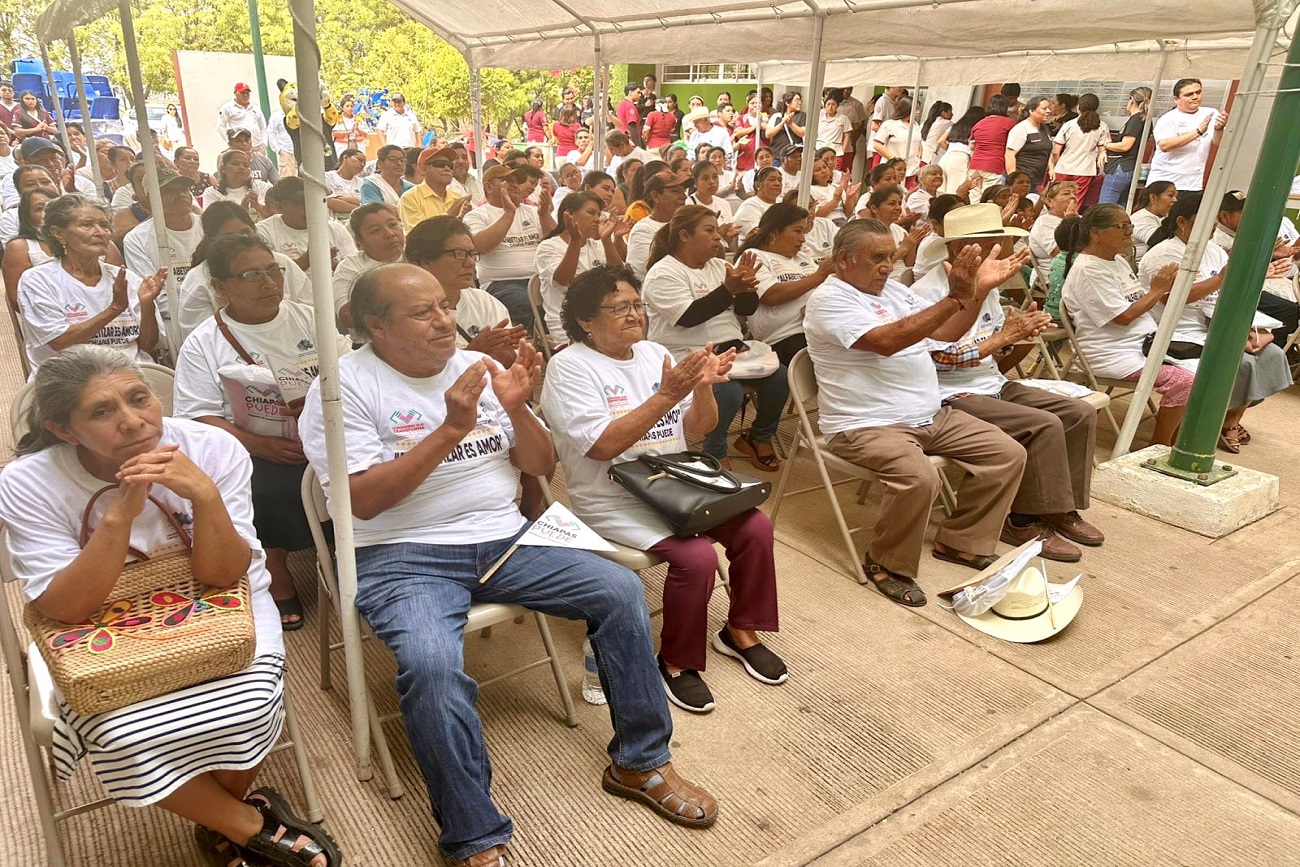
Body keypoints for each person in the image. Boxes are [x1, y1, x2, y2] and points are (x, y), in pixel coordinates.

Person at [301, 262, 720, 864]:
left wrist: (518, 410)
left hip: (505, 538)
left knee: (619, 591)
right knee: (430, 666)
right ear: (375, 325)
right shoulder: (342, 388)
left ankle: (640, 762)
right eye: (423, 312)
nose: (445, 320)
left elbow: (540, 463)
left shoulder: (483, 368)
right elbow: (362, 500)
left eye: (445, 305)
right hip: (400, 553)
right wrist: (450, 429)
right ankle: (473, 833)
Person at [0, 346, 342, 867]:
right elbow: (67, 608)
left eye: (140, 399)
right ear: (65, 431)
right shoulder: (28, 482)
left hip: (222, 602)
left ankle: (224, 824)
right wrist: (119, 516)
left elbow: (223, 574)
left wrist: (204, 496)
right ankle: (245, 825)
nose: (134, 422)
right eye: (101, 411)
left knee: (248, 705)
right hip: (96, 627)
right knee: (120, 732)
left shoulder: (210, 447)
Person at [542, 264, 785, 713]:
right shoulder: (569, 367)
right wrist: (668, 395)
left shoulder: (655, 353)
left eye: (637, 305)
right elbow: (601, 446)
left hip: (675, 484)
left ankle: (740, 631)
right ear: (586, 321)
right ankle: (676, 661)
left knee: (754, 527)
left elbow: (696, 430)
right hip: (613, 497)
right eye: (619, 308)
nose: (634, 314)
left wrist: (705, 389)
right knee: (696, 557)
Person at [802, 219, 1028, 606]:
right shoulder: (829, 299)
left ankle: (961, 542)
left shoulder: (894, 292)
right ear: (843, 259)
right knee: (920, 478)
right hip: (865, 424)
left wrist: (977, 291)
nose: (888, 266)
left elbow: (948, 331)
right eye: (877, 258)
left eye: (890, 257)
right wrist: (955, 296)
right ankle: (886, 564)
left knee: (1008, 454)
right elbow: (886, 342)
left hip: (928, 415)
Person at [174, 234, 348, 630]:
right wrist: (259, 444)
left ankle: (348, 550)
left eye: (274, 270)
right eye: (251, 274)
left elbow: (347, 371)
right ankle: (276, 568)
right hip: (252, 445)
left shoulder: (309, 317)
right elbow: (197, 418)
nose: (269, 282)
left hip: (323, 432)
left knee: (365, 468)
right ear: (220, 287)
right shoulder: (204, 342)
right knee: (264, 486)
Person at [911, 204, 1101, 561]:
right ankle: (1023, 518)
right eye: (991, 246)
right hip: (951, 393)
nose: (999, 253)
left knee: (1078, 413)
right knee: (1042, 425)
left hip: (991, 382)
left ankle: (1058, 507)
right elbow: (934, 360)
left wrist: (1020, 333)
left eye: (1000, 243)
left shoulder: (990, 285)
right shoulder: (928, 292)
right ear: (959, 250)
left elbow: (996, 353)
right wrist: (1001, 339)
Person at [1139, 194, 1292, 453]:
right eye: (1203, 220)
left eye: (1212, 220)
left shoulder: (1213, 250)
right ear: (1182, 222)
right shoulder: (1164, 253)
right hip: (1178, 332)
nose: (1211, 226)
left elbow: (1227, 289)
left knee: (1271, 353)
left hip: (1213, 325)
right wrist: (1221, 278)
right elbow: (1171, 298)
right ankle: (1205, 423)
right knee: (1238, 361)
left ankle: (1229, 421)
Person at [642, 205, 788, 471]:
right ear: (684, 236)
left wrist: (745, 288)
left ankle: (758, 437)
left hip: (732, 350)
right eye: (709, 231)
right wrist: (728, 289)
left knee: (780, 377)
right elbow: (688, 317)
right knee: (727, 390)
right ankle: (714, 448)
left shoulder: (721, 265)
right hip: (687, 353)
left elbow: (746, 310)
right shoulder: (663, 272)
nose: (718, 237)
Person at [1060, 204, 1192, 446]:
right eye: (1121, 226)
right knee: (1184, 380)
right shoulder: (1089, 269)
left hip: (1141, 343)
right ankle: (1160, 445)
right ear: (1096, 234)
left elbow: (1137, 301)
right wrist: (1157, 290)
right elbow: (1123, 317)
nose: (1129, 231)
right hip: (1112, 352)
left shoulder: (1117, 261)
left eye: (1129, 224)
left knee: (1209, 364)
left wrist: (1157, 291)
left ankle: (1177, 436)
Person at [17, 195, 165, 374]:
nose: (100, 232)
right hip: (71, 380)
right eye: (87, 225)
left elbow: (147, 345)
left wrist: (147, 304)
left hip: (131, 373)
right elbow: (60, 341)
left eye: (104, 225)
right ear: (58, 233)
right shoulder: (38, 280)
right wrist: (114, 309)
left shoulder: (126, 278)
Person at [404, 216, 527, 368]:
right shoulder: (407, 313)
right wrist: (474, 351)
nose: (470, 263)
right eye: (459, 253)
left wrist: (506, 352)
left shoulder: (483, 301)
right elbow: (419, 377)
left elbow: (511, 363)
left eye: (472, 254)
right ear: (425, 261)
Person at [178, 201, 310, 343]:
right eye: (251, 275)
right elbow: (202, 338)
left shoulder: (281, 262)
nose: (242, 241)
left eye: (246, 232)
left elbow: (310, 307)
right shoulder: (198, 280)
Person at [741, 203, 835, 366]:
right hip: (787, 337)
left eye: (803, 232)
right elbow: (771, 295)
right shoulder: (754, 257)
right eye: (797, 231)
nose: (803, 239)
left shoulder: (803, 258)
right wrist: (819, 275)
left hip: (822, 326)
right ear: (774, 233)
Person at [463, 164, 556, 330]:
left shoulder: (533, 211)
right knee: (529, 305)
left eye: (517, 181)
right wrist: (508, 213)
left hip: (541, 279)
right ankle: (544, 346)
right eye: (506, 180)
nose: (514, 184)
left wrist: (544, 215)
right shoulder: (477, 215)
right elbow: (480, 246)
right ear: (489, 186)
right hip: (501, 283)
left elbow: (555, 242)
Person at [1213, 189, 1300, 346]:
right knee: (1289, 309)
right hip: (1235, 288)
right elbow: (1230, 271)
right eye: (1245, 212)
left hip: (1278, 277)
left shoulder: (1255, 229)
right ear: (1224, 216)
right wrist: (1267, 254)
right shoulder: (1217, 239)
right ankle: (1276, 349)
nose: (1253, 216)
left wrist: (1272, 255)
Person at [536, 191, 624, 341]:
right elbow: (563, 281)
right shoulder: (548, 247)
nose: (597, 219)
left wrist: (607, 240)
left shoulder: (597, 245)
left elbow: (621, 278)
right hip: (567, 324)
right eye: (591, 213)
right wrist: (575, 240)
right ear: (569, 215)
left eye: (598, 214)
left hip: (605, 318)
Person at [122, 166, 203, 330]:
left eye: (184, 189)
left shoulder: (208, 226)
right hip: (173, 323)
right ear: (150, 199)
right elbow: (155, 295)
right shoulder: (136, 239)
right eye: (169, 190)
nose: (180, 194)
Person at [256, 177, 356, 272]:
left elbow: (355, 270)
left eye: (311, 202)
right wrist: (308, 259)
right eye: (299, 204)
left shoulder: (336, 229)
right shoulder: (264, 232)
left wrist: (333, 265)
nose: (308, 209)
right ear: (279, 207)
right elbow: (272, 275)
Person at [333, 202, 405, 331]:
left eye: (393, 225)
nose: (390, 234)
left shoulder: (417, 255)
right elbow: (347, 316)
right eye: (375, 230)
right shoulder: (351, 267)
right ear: (359, 242)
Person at [1148, 79, 1227, 195]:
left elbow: (1217, 143)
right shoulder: (1168, 118)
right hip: (1165, 181)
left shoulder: (1211, 113)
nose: (1195, 97)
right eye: (1189, 94)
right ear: (1176, 99)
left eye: (1198, 92)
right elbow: (1164, 146)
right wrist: (1198, 132)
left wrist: (1218, 129)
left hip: (1193, 183)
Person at [625, 171, 689, 279]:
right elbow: (654, 269)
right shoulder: (642, 230)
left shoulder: (687, 224)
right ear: (655, 196)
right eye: (675, 191)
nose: (684, 196)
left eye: (683, 191)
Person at [1049, 93, 1107, 208]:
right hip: (1085, 170)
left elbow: (1056, 151)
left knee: (1056, 200)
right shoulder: (1102, 126)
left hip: (1063, 168)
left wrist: (1053, 166)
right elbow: (1102, 150)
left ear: (1078, 107)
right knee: (1075, 202)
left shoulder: (1069, 125)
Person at [2, 189, 57, 312]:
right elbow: (18, 301)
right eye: (40, 209)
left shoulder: (80, 240)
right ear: (28, 217)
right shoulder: (19, 247)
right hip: (47, 317)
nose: (49, 212)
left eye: (54, 206)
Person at [399, 147, 471, 232]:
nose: (447, 168)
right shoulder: (410, 198)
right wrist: (450, 215)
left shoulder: (457, 197)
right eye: (440, 164)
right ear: (424, 169)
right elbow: (418, 235)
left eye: (450, 165)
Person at [1100, 87, 1151, 205]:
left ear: (1132, 100)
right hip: (1129, 167)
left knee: (1105, 209)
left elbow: (1125, 146)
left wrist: (1106, 145)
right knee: (1119, 209)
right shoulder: (1144, 119)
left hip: (1121, 166)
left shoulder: (1136, 119)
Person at [1027, 181, 1078, 286]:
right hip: (1053, 274)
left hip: (1078, 269)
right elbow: (1060, 253)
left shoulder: (1079, 218)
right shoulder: (1044, 222)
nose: (1073, 197)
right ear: (1049, 201)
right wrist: (1070, 223)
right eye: (1066, 193)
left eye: (1074, 193)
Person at [202, 149, 272, 217]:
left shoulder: (263, 187)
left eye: (246, 165)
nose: (241, 167)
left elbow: (277, 216)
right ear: (223, 169)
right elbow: (210, 221)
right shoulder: (212, 193)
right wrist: (241, 210)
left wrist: (257, 206)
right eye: (235, 164)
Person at [1004, 96, 1053, 192]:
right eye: (1044, 108)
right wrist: (1014, 180)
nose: (1048, 111)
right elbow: (1009, 155)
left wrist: (1051, 168)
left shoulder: (1045, 129)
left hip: (1037, 180)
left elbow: (1047, 151)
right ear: (1031, 111)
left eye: (1049, 108)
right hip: (1023, 180)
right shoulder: (1021, 128)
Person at [968, 95, 1015, 193]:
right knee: (990, 198)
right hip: (994, 165)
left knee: (974, 199)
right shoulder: (1009, 123)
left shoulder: (979, 123)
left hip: (975, 165)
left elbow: (972, 146)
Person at [872, 98, 922, 183]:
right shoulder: (889, 124)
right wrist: (894, 160)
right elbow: (877, 145)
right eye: (916, 109)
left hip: (912, 169)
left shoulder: (915, 125)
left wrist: (919, 157)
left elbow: (918, 143)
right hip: (892, 168)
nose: (918, 112)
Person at [937, 106, 984, 197]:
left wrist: (951, 149)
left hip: (947, 157)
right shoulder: (976, 128)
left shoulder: (955, 126)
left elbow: (940, 141)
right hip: (961, 159)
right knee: (955, 192)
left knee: (941, 192)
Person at [732, 167, 784, 241]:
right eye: (772, 180)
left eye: (780, 180)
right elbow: (758, 236)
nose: (777, 184)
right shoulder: (750, 205)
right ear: (757, 185)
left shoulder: (782, 203)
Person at [1132, 180, 1178, 259]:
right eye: (1170, 195)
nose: (1175, 200)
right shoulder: (1141, 217)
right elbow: (1156, 240)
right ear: (1153, 197)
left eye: (1176, 197)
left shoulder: (1163, 217)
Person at [360, 144, 415, 208]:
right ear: (380, 164)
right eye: (393, 159)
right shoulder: (371, 185)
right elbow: (376, 212)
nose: (399, 164)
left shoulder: (411, 188)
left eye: (402, 160)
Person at [216, 83, 267, 150]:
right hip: (239, 148)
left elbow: (263, 127)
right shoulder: (227, 108)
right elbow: (220, 126)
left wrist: (264, 144)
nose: (245, 95)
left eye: (247, 93)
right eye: (242, 93)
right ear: (235, 93)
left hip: (257, 147)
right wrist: (229, 142)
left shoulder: (255, 108)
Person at [687, 159, 734, 224]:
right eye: (705, 178)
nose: (712, 182)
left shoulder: (724, 204)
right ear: (695, 183)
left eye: (715, 177)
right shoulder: (688, 205)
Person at [731, 94, 768, 174]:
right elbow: (738, 132)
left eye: (758, 103)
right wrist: (753, 127)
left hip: (762, 159)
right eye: (752, 103)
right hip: (745, 160)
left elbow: (769, 130)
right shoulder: (742, 118)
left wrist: (761, 122)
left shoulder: (766, 117)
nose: (755, 105)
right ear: (748, 104)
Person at [324, 147, 365, 215]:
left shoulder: (363, 182)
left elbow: (367, 203)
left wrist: (343, 198)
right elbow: (329, 202)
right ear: (345, 158)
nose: (362, 165)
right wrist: (359, 207)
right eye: (360, 160)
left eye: (364, 163)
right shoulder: (327, 177)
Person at [766, 92, 805, 158]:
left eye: (800, 100)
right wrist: (781, 124)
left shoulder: (802, 115)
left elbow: (802, 133)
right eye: (796, 100)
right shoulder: (777, 116)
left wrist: (790, 124)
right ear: (787, 103)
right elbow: (768, 134)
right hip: (777, 154)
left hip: (794, 155)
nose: (799, 103)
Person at [817, 94, 853, 163]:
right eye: (828, 104)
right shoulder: (819, 117)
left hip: (836, 152)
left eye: (833, 104)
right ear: (825, 105)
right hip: (819, 150)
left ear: (837, 106)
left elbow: (847, 135)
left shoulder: (843, 118)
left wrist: (843, 150)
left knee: (834, 173)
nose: (830, 107)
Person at [921, 101, 954, 165]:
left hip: (920, 155)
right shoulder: (945, 123)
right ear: (943, 113)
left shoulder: (925, 123)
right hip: (928, 158)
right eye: (950, 112)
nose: (952, 114)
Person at [616, 82, 644, 148]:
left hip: (620, 139)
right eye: (638, 92)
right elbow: (631, 126)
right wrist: (637, 145)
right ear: (630, 93)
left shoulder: (622, 104)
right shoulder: (630, 106)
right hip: (629, 141)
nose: (640, 95)